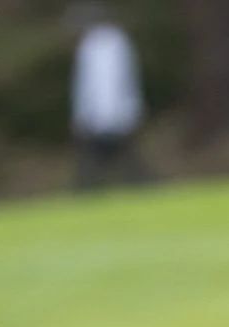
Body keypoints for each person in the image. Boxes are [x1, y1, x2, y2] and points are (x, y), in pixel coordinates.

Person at [69, 4, 147, 189]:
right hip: (97, 116)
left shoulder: (116, 42)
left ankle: (90, 189)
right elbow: (85, 85)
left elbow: (125, 78)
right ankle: (89, 189)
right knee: (103, 157)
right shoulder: (89, 46)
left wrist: (130, 109)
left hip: (117, 113)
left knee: (119, 155)